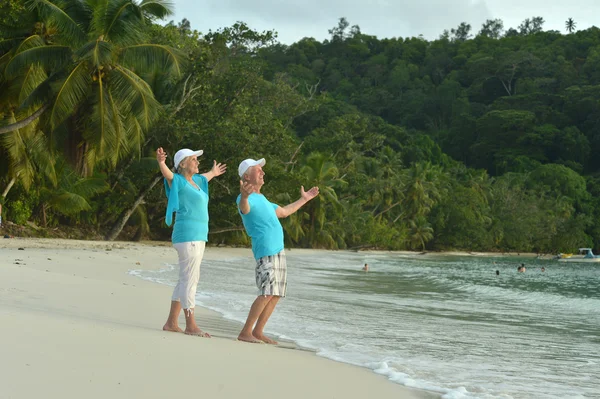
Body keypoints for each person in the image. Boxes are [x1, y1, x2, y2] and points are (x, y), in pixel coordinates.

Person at [236, 158, 319, 344]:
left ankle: (258, 331)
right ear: (247, 176)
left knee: (276, 294)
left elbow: (284, 212)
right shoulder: (246, 199)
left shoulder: (263, 199)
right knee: (266, 292)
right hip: (266, 251)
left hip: (278, 251)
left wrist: (304, 199)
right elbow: (244, 208)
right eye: (259, 170)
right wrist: (244, 196)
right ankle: (245, 331)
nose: (263, 173)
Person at [157, 147, 227, 337]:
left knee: (184, 279)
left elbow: (206, 176)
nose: (197, 162)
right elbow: (169, 175)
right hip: (188, 235)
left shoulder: (197, 181)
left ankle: (171, 322)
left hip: (198, 236)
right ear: (183, 164)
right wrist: (161, 162)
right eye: (194, 159)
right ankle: (190, 324)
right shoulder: (178, 181)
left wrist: (214, 172)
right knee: (190, 280)